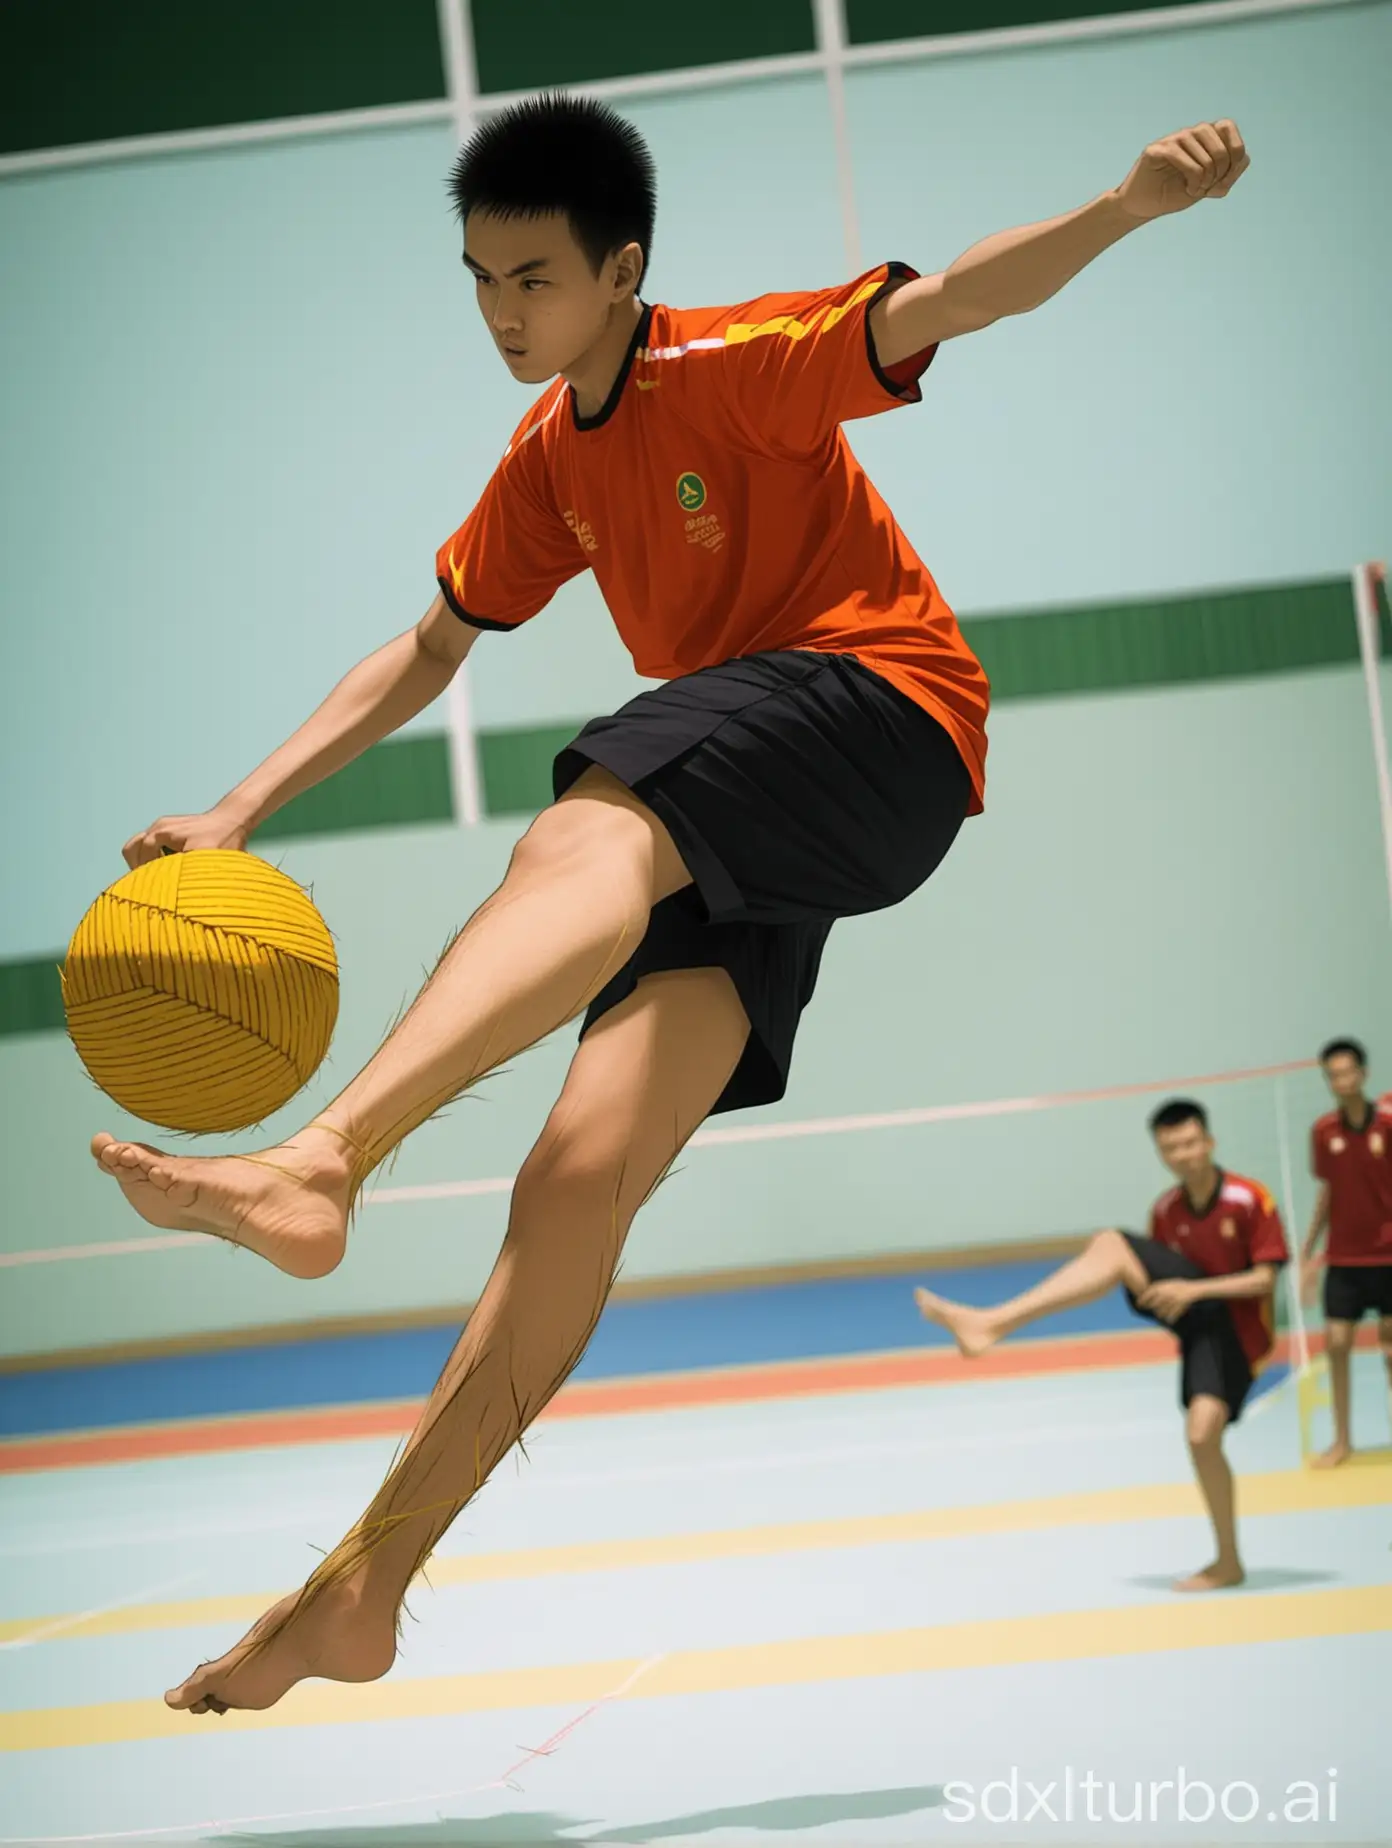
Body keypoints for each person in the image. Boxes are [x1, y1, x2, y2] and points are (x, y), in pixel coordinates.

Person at [89, 96, 1250, 1713]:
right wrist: (238, 807)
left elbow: (949, 303)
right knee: (575, 1170)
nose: (504, 315)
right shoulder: (541, 462)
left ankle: (319, 1157)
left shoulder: (731, 364)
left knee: (583, 830)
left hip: (884, 712)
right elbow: (427, 647)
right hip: (759, 801)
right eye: (481, 281)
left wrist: (1118, 206)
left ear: (624, 268)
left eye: (538, 279)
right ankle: (368, 1584)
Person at [915, 1099, 1286, 1591]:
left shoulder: (1248, 1198)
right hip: (1197, 1328)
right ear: (1161, 1152)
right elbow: (1161, 1288)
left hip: (1238, 1332)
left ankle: (991, 1324)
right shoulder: (1166, 1210)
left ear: (1210, 1143)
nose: (1182, 1154)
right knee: (1114, 1251)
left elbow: (1265, 1281)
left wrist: (1191, 1291)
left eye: (1191, 1142)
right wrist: (1177, 1297)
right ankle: (1229, 1561)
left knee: (1201, 1434)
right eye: (1170, 1147)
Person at [1299, 1038, 1392, 1466]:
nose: (1341, 1081)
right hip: (1345, 1258)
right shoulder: (1322, 1131)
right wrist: (1309, 1250)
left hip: (1388, 1257)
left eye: (1348, 1072)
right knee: (1336, 1344)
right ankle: (1342, 1440)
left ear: (1364, 1074)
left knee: (1391, 1351)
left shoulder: (1388, 1123)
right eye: (1333, 1075)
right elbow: (1328, 1191)